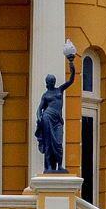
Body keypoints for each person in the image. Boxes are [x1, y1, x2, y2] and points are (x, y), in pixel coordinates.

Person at [34, 40, 78, 173]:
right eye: (49, 81)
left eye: (52, 80)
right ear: (47, 83)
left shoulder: (60, 89)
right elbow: (39, 109)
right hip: (47, 118)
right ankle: (48, 167)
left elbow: (71, 79)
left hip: (57, 121)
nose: (51, 82)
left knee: (58, 143)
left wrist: (71, 63)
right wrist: (39, 118)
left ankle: (59, 166)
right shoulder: (45, 95)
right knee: (48, 144)